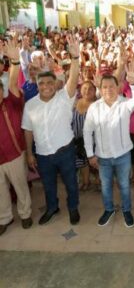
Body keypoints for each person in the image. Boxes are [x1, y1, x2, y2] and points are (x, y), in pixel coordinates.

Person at [22, 35, 81, 226]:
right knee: (48, 186)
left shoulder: (64, 98)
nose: (46, 87)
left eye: (49, 83)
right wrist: (30, 154)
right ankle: (52, 208)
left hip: (65, 151)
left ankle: (73, 208)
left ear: (55, 84)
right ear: (37, 85)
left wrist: (75, 58)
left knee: (71, 184)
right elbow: (28, 131)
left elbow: (73, 79)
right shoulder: (30, 105)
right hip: (42, 155)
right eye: (42, 84)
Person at [83, 60, 134, 228]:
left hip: (123, 155)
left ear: (118, 88)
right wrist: (90, 154)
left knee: (124, 185)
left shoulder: (125, 103)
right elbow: (87, 132)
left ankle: (126, 210)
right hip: (102, 157)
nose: (108, 90)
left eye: (111, 86)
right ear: (100, 90)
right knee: (106, 186)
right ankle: (108, 209)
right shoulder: (94, 107)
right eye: (104, 87)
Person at [0, 38, 32, 236]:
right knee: (0, 191)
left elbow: (12, 82)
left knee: (20, 186)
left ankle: (25, 214)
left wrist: (13, 62)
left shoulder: (10, 102)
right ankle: (4, 218)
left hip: (14, 154)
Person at [72, 80, 99, 191]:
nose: (87, 91)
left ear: (95, 91)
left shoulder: (97, 104)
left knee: (95, 163)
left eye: (90, 89)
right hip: (78, 139)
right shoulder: (75, 102)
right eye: (84, 88)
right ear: (80, 90)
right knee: (83, 163)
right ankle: (86, 181)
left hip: (93, 140)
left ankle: (99, 182)